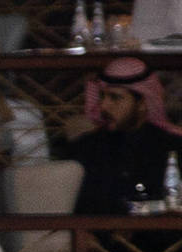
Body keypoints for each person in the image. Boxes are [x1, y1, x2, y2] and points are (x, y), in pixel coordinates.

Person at [66, 58, 182, 216]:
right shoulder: (85, 148)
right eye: (102, 96)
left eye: (115, 98)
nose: (104, 106)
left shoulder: (172, 147)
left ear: (142, 104)